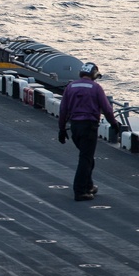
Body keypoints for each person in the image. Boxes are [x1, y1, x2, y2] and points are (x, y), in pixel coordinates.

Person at [58, 62, 121, 201]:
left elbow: (63, 110)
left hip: (75, 126)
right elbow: (107, 109)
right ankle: (80, 191)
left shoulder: (71, 86)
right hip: (89, 127)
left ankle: (89, 185)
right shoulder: (96, 88)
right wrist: (114, 124)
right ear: (94, 74)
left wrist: (61, 129)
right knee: (85, 159)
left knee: (87, 157)